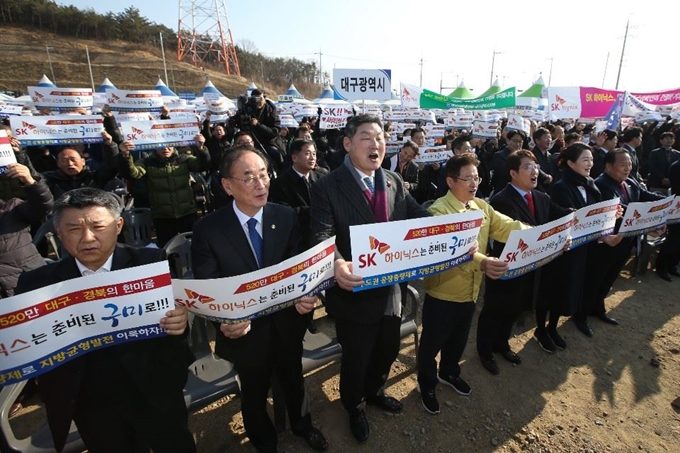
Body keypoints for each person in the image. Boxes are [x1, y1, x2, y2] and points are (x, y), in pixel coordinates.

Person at [15, 188, 195, 453]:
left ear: (118, 225)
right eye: (74, 229)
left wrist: (179, 322)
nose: (88, 238)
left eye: (98, 226)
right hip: (90, 401)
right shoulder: (37, 285)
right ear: (59, 232)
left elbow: (172, 320)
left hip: (154, 390)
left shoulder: (149, 263)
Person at [191, 147, 328, 453]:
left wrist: (308, 295)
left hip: (286, 323)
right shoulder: (208, 230)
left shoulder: (285, 215)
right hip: (246, 334)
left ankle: (302, 425)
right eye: (249, 176)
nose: (260, 183)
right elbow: (208, 285)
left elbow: (299, 267)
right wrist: (223, 319)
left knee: (294, 379)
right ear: (227, 185)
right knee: (253, 392)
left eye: (264, 174)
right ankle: (264, 441)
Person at [310, 114, 430, 443]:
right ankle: (355, 405)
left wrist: (449, 225)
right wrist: (335, 263)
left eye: (380, 137)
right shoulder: (326, 186)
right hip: (355, 293)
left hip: (391, 287)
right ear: (348, 144)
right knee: (356, 357)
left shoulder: (392, 180)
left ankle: (375, 390)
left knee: (388, 348)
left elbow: (418, 214)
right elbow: (322, 236)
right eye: (366, 137)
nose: (375, 143)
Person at [417, 154, 523, 414]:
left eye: (477, 177)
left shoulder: (481, 207)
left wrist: (541, 235)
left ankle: (449, 372)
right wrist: (483, 261)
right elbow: (453, 249)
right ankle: (427, 384)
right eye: (468, 178)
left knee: (459, 339)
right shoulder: (438, 211)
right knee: (431, 344)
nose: (474, 183)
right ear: (451, 181)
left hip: (471, 292)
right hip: (443, 292)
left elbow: (509, 227)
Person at [476, 150, 571, 375]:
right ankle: (485, 351)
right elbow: (516, 233)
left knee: (515, 309)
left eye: (536, 166)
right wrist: (551, 239)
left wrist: (581, 217)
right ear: (513, 173)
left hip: (531, 270)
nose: (535, 171)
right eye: (528, 167)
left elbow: (561, 215)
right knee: (494, 311)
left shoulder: (542, 197)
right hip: (505, 269)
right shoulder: (501, 200)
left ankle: (502, 344)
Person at [584, 149, 664, 324]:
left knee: (610, 276)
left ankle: (598, 308)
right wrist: (649, 221)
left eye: (629, 164)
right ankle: (582, 314)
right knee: (596, 278)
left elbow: (645, 196)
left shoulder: (630, 181)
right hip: (607, 243)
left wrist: (667, 203)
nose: (628, 168)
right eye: (623, 165)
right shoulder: (602, 185)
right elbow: (621, 211)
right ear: (608, 166)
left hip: (626, 241)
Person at [538, 143, 601, 344]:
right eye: (585, 160)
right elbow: (564, 216)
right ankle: (540, 330)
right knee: (552, 289)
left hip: (581, 247)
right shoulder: (561, 186)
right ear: (571, 163)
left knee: (567, 289)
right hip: (561, 248)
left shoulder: (590, 183)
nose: (589, 164)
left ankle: (552, 327)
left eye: (591, 159)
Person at [117, 135, 210, 247]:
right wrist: (126, 155)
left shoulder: (184, 158)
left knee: (196, 246)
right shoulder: (147, 162)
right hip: (162, 216)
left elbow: (203, 165)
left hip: (187, 212)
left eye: (168, 145)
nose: (165, 149)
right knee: (167, 249)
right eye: (161, 146)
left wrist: (201, 148)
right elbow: (133, 173)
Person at [42, 131, 119, 199]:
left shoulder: (95, 177)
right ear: (58, 164)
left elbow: (111, 166)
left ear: (83, 161)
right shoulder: (50, 180)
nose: (70, 163)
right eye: (64, 160)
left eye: (73, 159)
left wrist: (109, 145)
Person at [231, 89, 286, 172]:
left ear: (264, 98)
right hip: (249, 140)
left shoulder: (271, 110)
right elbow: (236, 118)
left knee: (276, 154)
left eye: (259, 99)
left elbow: (275, 131)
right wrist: (230, 120)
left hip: (268, 141)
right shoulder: (247, 107)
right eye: (254, 99)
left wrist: (258, 125)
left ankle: (281, 173)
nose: (257, 101)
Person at [655, 158, 680, 280]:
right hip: (677, 208)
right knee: (673, 239)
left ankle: (673, 265)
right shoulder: (676, 166)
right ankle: (662, 266)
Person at [491, 130, 526, 195]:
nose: (518, 144)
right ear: (508, 141)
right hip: (503, 191)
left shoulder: (524, 156)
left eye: (520, 141)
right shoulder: (499, 155)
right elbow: (503, 173)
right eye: (515, 141)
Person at [530, 127, 554, 193]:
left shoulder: (550, 155)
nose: (549, 140)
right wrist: (544, 177)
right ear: (537, 140)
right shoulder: (531, 155)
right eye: (546, 138)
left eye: (550, 137)